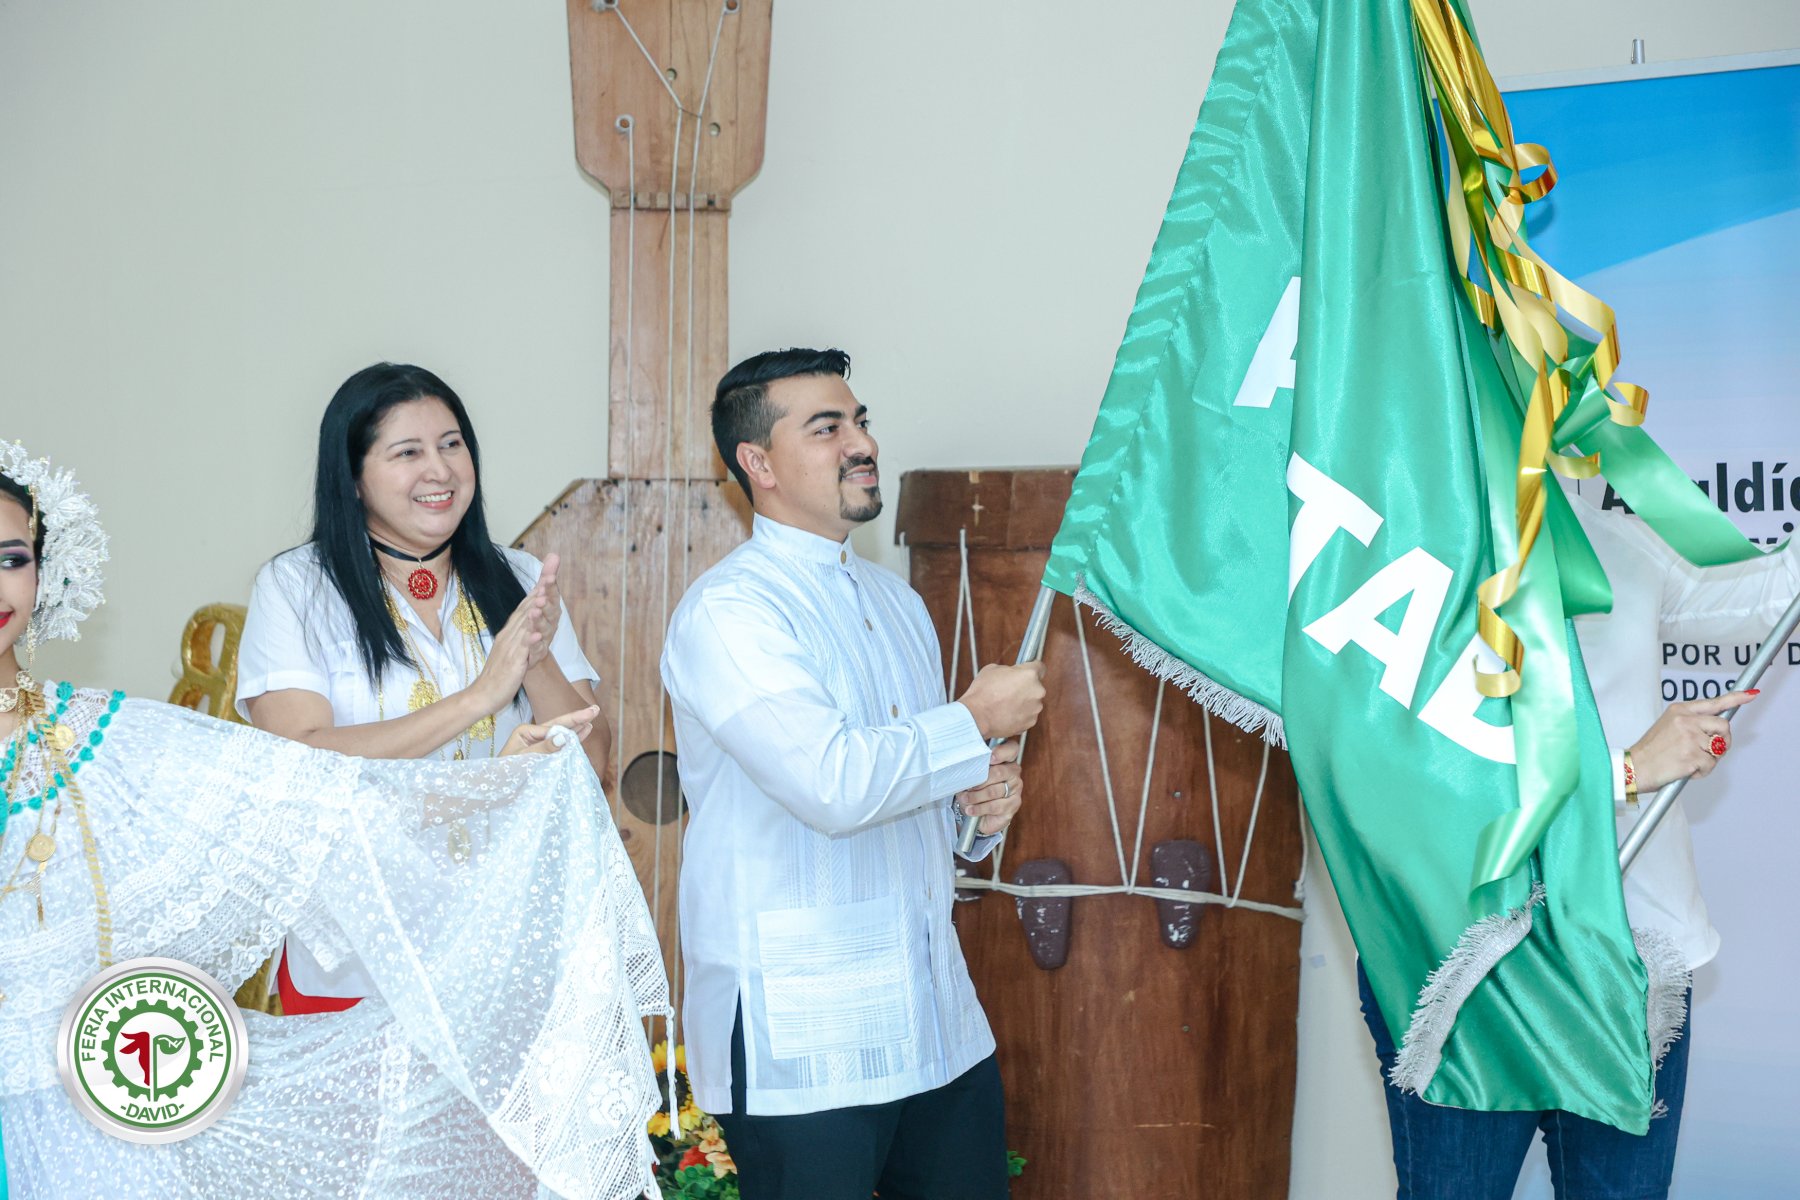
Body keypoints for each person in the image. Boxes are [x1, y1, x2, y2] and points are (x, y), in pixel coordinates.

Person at [0, 439, 666, 1198]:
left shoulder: (113, 738)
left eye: (11, 558)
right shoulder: (292, 589)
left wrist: (501, 784)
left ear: (45, 573)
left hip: (65, 1118)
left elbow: (316, 807)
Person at [659, 348, 1047, 1200]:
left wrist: (973, 811)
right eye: (826, 428)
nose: (860, 443)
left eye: (860, 421)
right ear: (758, 463)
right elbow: (832, 786)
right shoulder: (731, 611)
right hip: (805, 1032)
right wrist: (973, 720)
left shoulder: (896, 602)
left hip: (937, 1020)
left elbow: (907, 791)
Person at [1356, 492, 1797, 1200]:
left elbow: (1765, 595)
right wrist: (1623, 772)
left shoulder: (1610, 529)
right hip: (1469, 963)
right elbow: (1398, 765)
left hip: (1632, 952)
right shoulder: (1401, 530)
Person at [237, 362, 608, 1011]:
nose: (439, 470)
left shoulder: (519, 577)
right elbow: (301, 758)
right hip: (355, 948)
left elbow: (593, 762)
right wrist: (477, 699)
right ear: (354, 477)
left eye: (452, 445)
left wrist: (535, 655)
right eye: (408, 452)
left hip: (503, 933)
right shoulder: (297, 587)